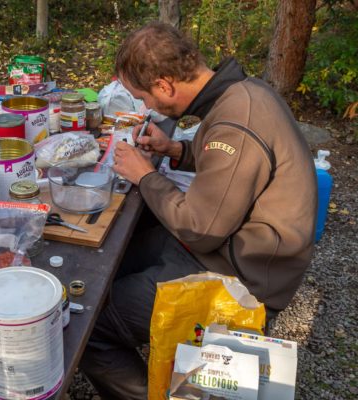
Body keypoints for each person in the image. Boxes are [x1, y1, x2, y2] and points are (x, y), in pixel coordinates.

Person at [79, 21, 317, 399]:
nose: (145, 107)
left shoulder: (235, 122)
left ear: (164, 85)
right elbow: (235, 172)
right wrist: (178, 151)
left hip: (241, 277)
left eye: (143, 96)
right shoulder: (244, 93)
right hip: (227, 248)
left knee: (87, 323)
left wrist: (144, 176)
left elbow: (199, 228)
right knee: (100, 270)